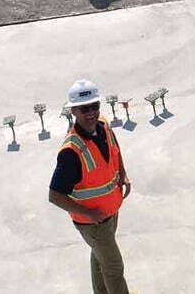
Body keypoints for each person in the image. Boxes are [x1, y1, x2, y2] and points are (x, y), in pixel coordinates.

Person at [48, 79, 133, 294]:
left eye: (94, 106)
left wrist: (122, 173)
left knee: (100, 258)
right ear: (73, 111)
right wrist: (89, 213)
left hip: (110, 213)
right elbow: (55, 195)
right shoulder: (71, 151)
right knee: (114, 267)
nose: (91, 113)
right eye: (84, 108)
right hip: (93, 223)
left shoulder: (103, 126)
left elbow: (115, 148)